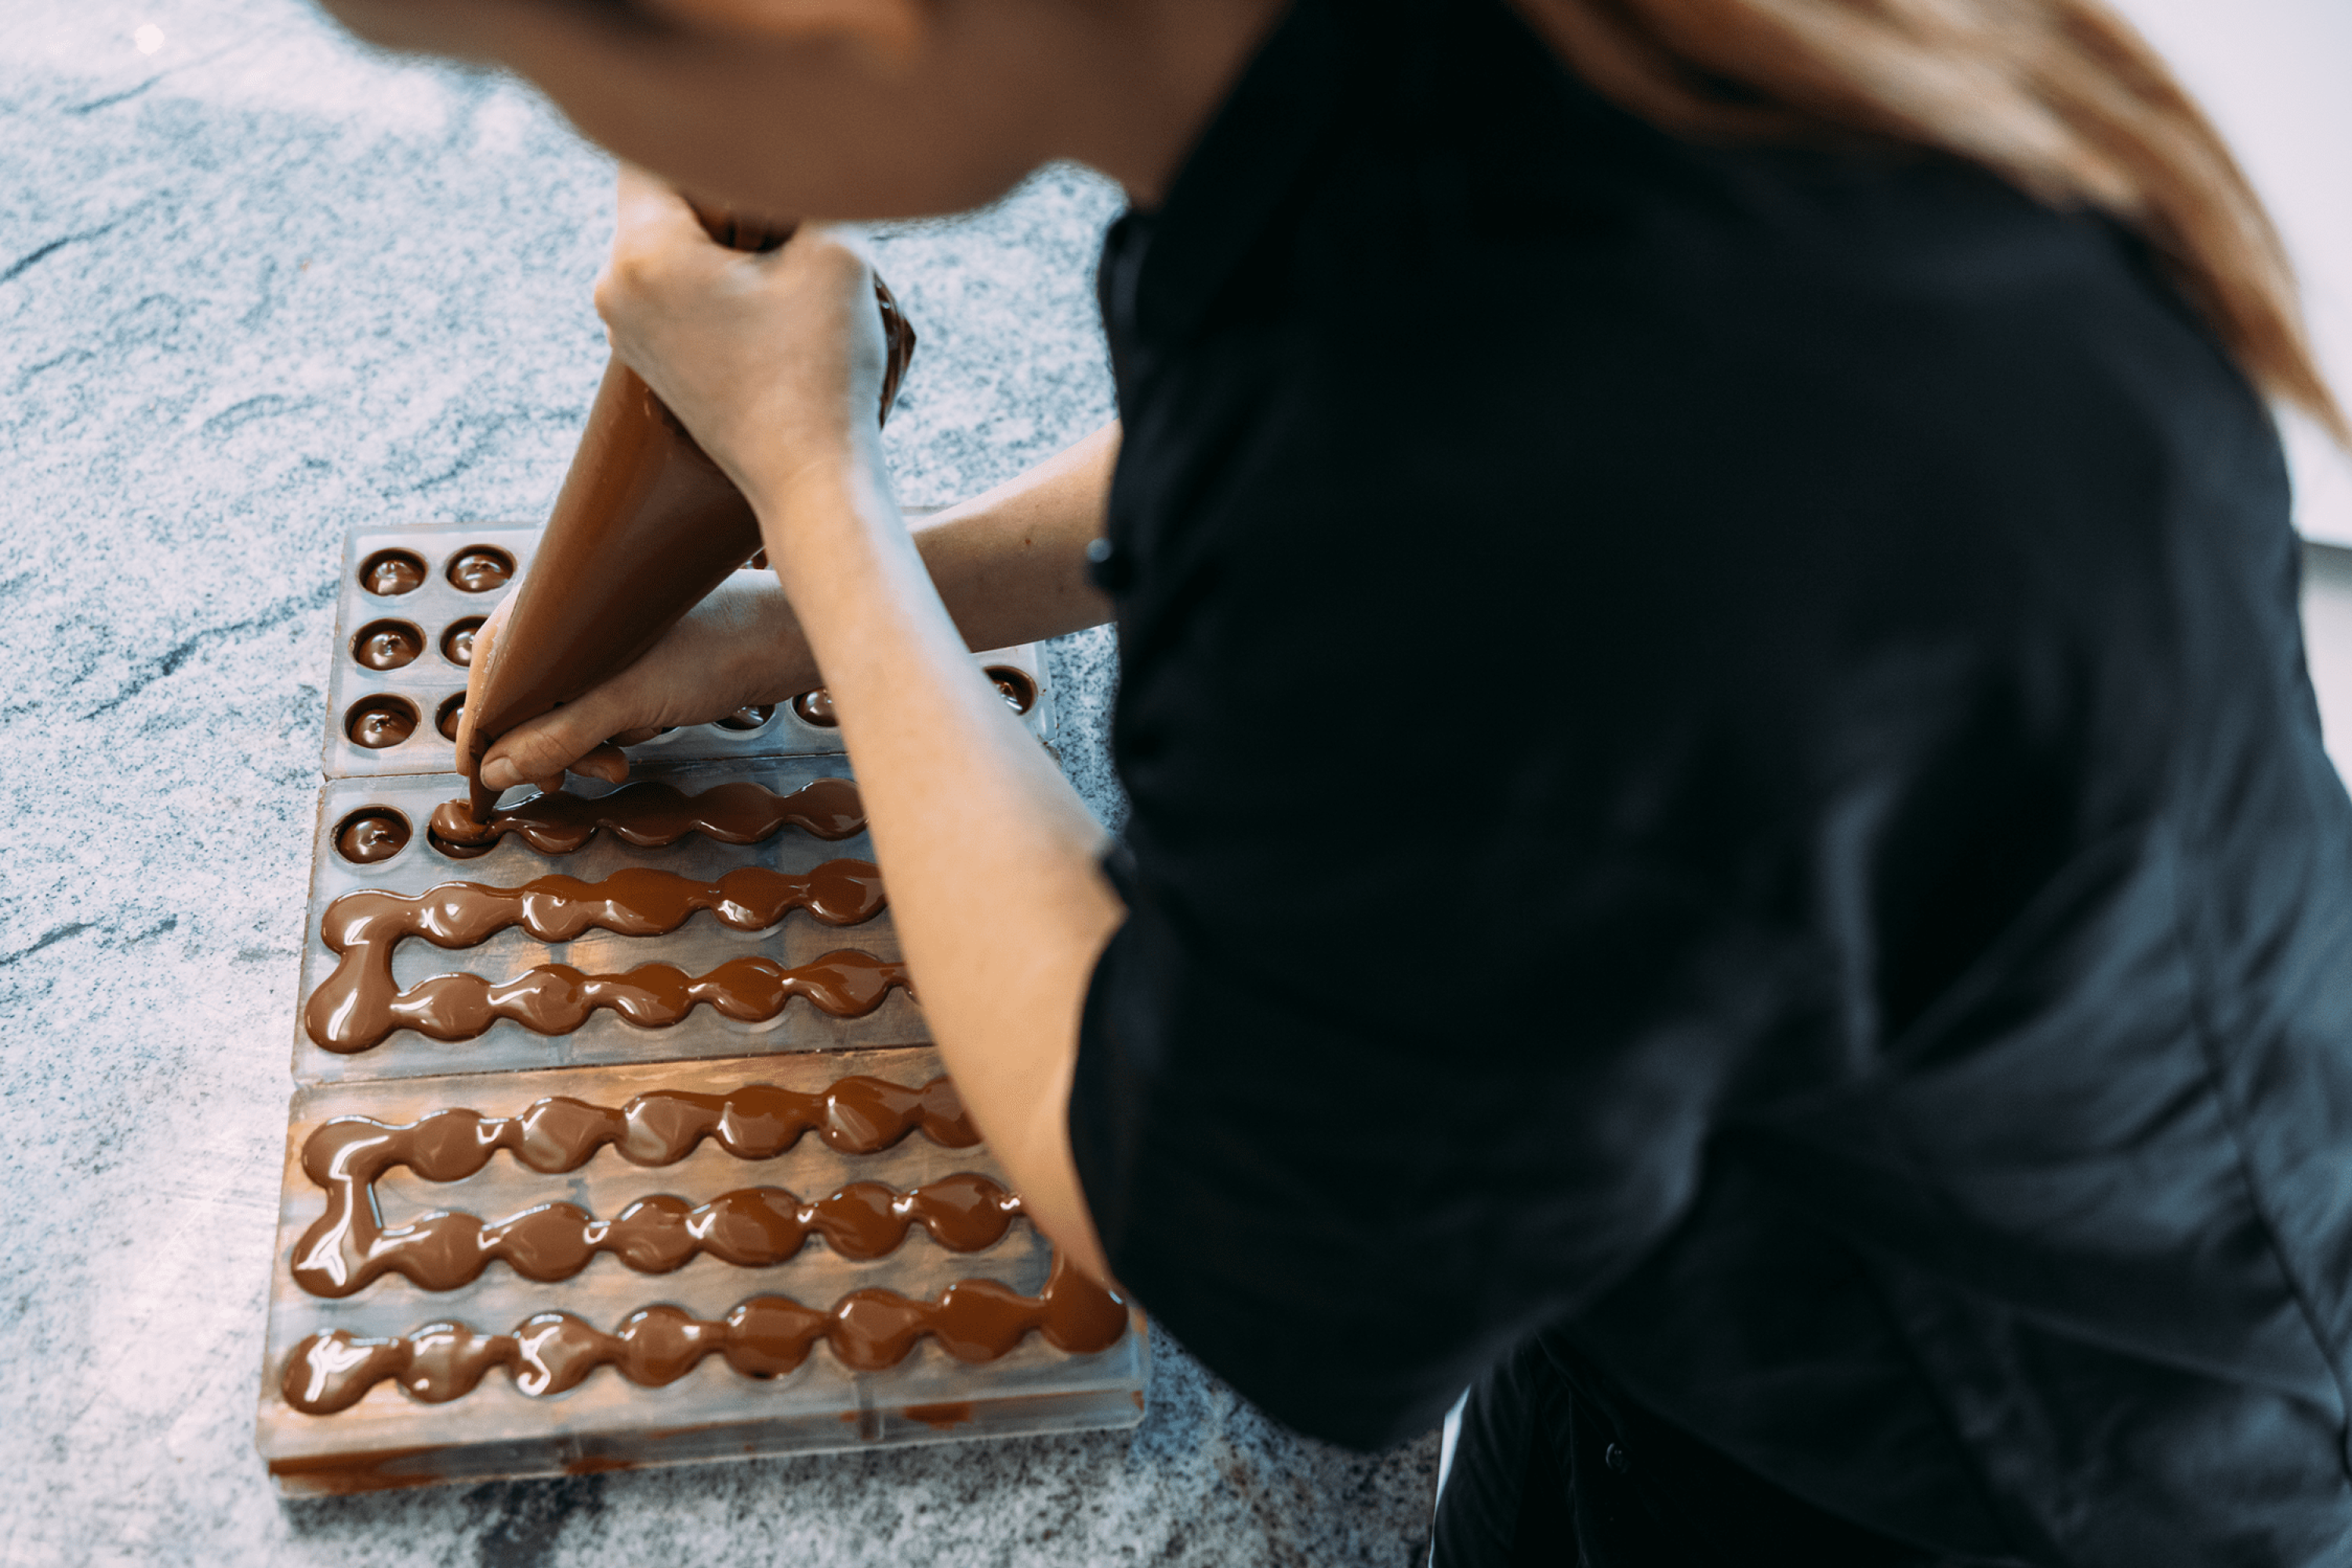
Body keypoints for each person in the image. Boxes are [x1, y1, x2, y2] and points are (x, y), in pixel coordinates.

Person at [318, 0, 2352, 1561]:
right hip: (1902, 1095)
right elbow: (1338, 432)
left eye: (545, 80)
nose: (609, 164)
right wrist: (825, 606)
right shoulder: (1444, 87)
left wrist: (822, 503)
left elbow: (1251, 1257)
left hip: (1973, 1455)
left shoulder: (1566, 493)